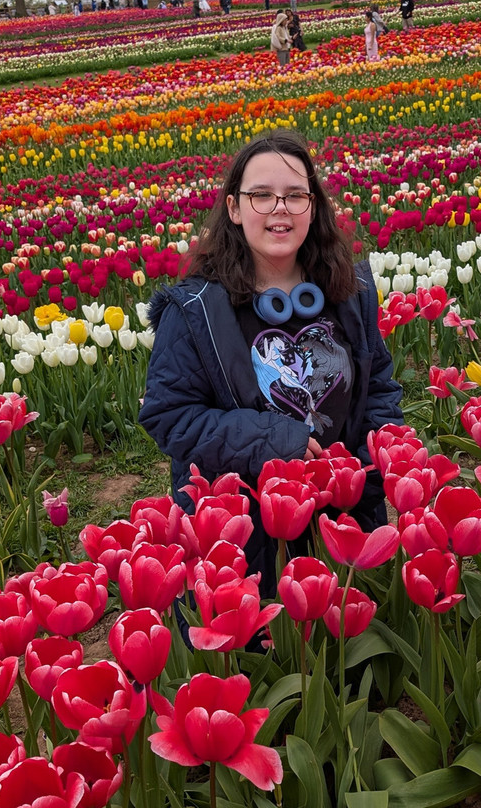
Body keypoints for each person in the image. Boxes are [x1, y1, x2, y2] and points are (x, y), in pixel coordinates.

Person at [138, 129, 403, 597]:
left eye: (295, 195)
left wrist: (365, 472)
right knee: (267, 651)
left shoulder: (351, 292)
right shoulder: (195, 311)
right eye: (261, 195)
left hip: (343, 515)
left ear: (313, 207)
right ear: (235, 209)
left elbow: (377, 386)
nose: (279, 208)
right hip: (246, 530)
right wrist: (279, 440)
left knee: (340, 645)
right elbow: (170, 417)